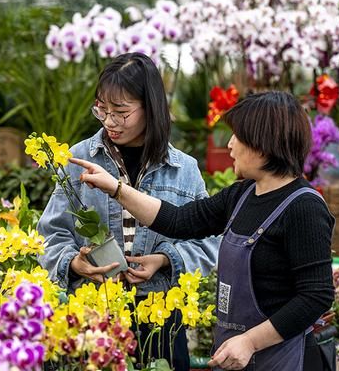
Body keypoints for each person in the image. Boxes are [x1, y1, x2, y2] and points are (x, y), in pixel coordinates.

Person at [72, 91, 335, 371]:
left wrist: (250, 341)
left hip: (284, 360)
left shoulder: (304, 207)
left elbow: (316, 296)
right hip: (238, 357)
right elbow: (179, 220)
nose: (230, 146)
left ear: (263, 143)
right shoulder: (243, 194)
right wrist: (115, 188)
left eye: (238, 136)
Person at [37, 52, 220, 371]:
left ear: (151, 108)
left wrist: (165, 259)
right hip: (95, 316)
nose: (109, 121)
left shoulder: (184, 170)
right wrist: (74, 263)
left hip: (160, 316)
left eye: (121, 111)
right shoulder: (78, 158)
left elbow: (208, 241)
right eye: (102, 110)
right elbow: (50, 236)